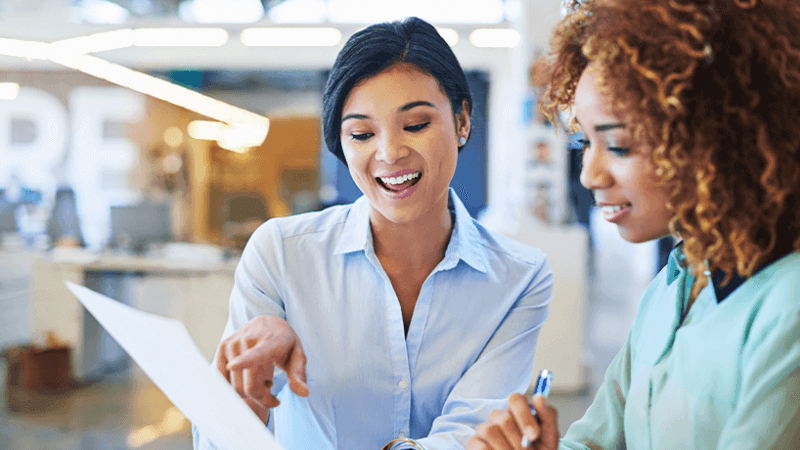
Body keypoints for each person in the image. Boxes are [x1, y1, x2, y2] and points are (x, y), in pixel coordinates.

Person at [193, 17, 554, 450]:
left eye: (416, 125)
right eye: (362, 133)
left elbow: (470, 434)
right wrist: (246, 392)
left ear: (461, 121)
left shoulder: (519, 278)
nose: (389, 152)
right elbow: (223, 439)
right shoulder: (281, 255)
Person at [467, 0, 800, 448]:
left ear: (715, 137)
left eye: (619, 145)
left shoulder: (787, 309)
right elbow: (595, 439)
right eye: (585, 142)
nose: (589, 175)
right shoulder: (672, 287)